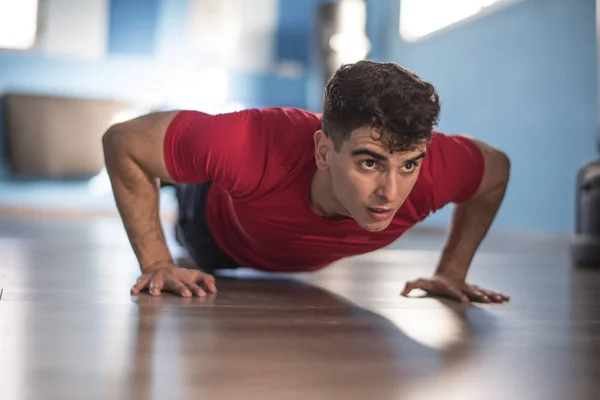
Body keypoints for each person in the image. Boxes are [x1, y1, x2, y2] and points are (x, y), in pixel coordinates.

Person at [102, 60, 510, 304]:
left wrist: (452, 272)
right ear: (322, 151)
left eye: (408, 166)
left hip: (277, 238)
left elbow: (497, 170)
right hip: (213, 231)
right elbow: (122, 142)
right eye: (370, 163)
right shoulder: (250, 143)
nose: (391, 192)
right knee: (184, 173)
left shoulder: (438, 167)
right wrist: (157, 263)